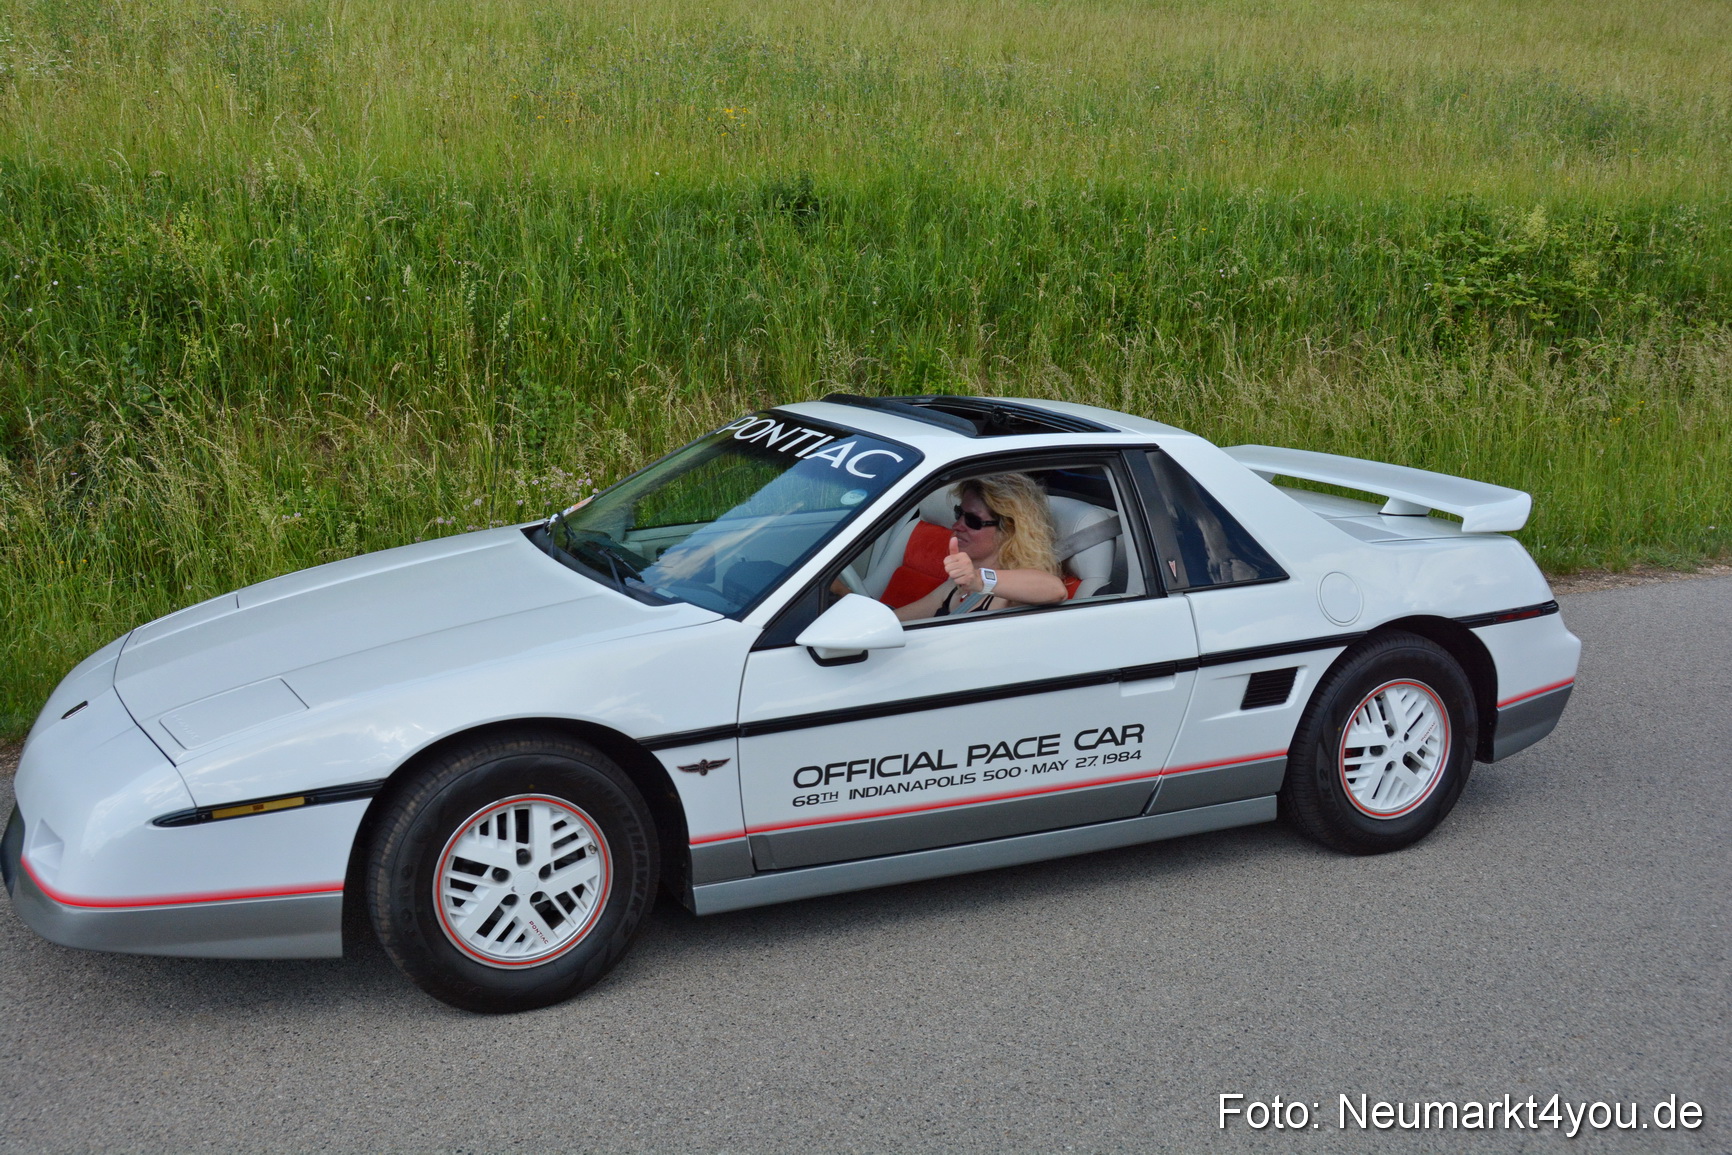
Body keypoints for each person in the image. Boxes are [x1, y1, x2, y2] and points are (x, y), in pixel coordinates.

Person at [893, 473, 1068, 621]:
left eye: (973, 520)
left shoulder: (1012, 595)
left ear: (1009, 529)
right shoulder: (953, 587)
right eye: (959, 513)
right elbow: (895, 622)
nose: (957, 526)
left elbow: (1055, 590)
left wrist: (979, 579)